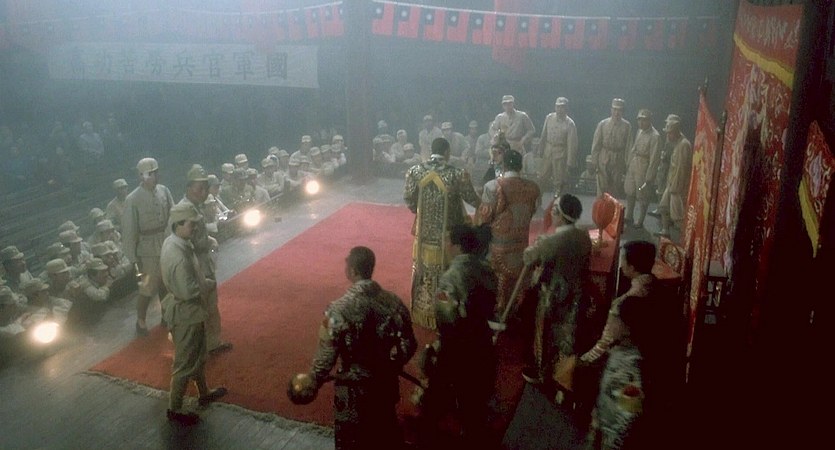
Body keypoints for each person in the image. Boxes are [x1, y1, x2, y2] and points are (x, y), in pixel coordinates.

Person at [306, 246, 417, 450]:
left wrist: (313, 380)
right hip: (384, 384)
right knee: (385, 435)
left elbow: (326, 354)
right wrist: (391, 365)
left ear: (353, 271)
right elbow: (409, 344)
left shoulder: (337, 309)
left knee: (353, 440)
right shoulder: (394, 302)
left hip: (353, 390)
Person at [416, 224, 498, 448]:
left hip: (458, 345)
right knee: (475, 397)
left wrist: (440, 345)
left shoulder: (451, 276)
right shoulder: (486, 269)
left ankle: (427, 436)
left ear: (457, 246)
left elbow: (445, 316)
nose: (444, 245)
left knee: (438, 392)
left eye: (447, 240)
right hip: (482, 338)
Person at [160, 202, 227, 426]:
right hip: (186, 312)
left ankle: (203, 392)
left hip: (190, 311)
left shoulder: (176, 243)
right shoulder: (178, 254)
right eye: (191, 224)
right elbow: (187, 291)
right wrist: (207, 285)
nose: (195, 228)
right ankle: (175, 407)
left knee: (197, 355)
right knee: (184, 362)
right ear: (178, 224)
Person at [404, 137, 481, 329]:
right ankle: (447, 312)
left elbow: (409, 199)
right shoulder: (456, 174)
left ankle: (424, 310)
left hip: (424, 234)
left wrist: (421, 212)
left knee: (424, 270)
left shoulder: (415, 171)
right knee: (448, 271)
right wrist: (484, 205)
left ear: (432, 151)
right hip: (449, 236)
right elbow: (472, 198)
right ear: (447, 152)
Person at [522, 194, 592, 395]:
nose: (551, 214)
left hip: (553, 295)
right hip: (577, 293)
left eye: (554, 211)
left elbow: (528, 258)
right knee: (568, 334)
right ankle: (564, 375)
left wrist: (538, 243)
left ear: (560, 215)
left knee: (545, 333)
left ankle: (542, 373)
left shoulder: (552, 241)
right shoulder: (583, 237)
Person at [477, 150, 541, 317]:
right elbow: (532, 212)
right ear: (521, 166)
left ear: (503, 165)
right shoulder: (533, 188)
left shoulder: (492, 186)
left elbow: (484, 218)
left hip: (497, 250)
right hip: (521, 247)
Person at [176, 164, 232, 353]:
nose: (203, 191)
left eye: (205, 187)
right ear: (189, 187)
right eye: (199, 187)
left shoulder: (195, 207)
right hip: (194, 262)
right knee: (200, 306)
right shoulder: (183, 210)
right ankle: (202, 345)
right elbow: (183, 240)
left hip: (203, 259)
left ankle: (213, 342)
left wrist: (209, 241)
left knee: (210, 304)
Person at [122, 157, 174, 335]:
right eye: (151, 173)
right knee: (147, 287)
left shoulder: (164, 191)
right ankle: (141, 320)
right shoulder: (133, 199)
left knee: (166, 282)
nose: (155, 176)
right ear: (142, 176)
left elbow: (172, 213)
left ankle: (167, 315)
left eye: (156, 172)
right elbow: (129, 229)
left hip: (164, 240)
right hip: (146, 248)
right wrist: (133, 257)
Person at [655, 115, 693, 238]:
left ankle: (684, 238)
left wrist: (675, 188)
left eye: (670, 133)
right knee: (663, 207)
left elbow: (682, 169)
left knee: (678, 216)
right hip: (671, 183)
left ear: (676, 132)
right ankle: (665, 231)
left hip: (677, 187)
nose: (668, 135)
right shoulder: (677, 144)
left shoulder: (684, 145)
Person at [624, 109, 662, 229]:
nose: (641, 122)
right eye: (639, 119)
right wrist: (629, 162)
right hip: (634, 162)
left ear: (649, 120)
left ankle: (640, 220)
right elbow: (634, 148)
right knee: (630, 191)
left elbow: (655, 158)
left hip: (644, 166)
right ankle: (629, 215)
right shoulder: (639, 131)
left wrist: (650, 176)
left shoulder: (655, 136)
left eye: (644, 120)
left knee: (642, 194)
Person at [591, 98, 633, 197]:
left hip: (618, 158)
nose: (617, 112)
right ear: (611, 110)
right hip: (604, 156)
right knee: (602, 186)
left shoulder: (627, 126)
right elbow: (596, 144)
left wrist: (628, 164)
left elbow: (629, 146)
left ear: (623, 111)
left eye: (619, 110)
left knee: (615, 188)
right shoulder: (603, 124)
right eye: (615, 109)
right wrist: (594, 161)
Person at [537, 97, 579, 197]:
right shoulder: (549, 118)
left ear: (566, 108)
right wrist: (540, 149)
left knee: (559, 181)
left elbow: (572, 144)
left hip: (561, 153)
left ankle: (558, 201)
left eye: (562, 107)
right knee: (541, 177)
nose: (560, 109)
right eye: (558, 107)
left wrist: (570, 162)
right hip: (548, 151)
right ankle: (537, 199)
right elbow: (543, 135)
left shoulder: (570, 123)